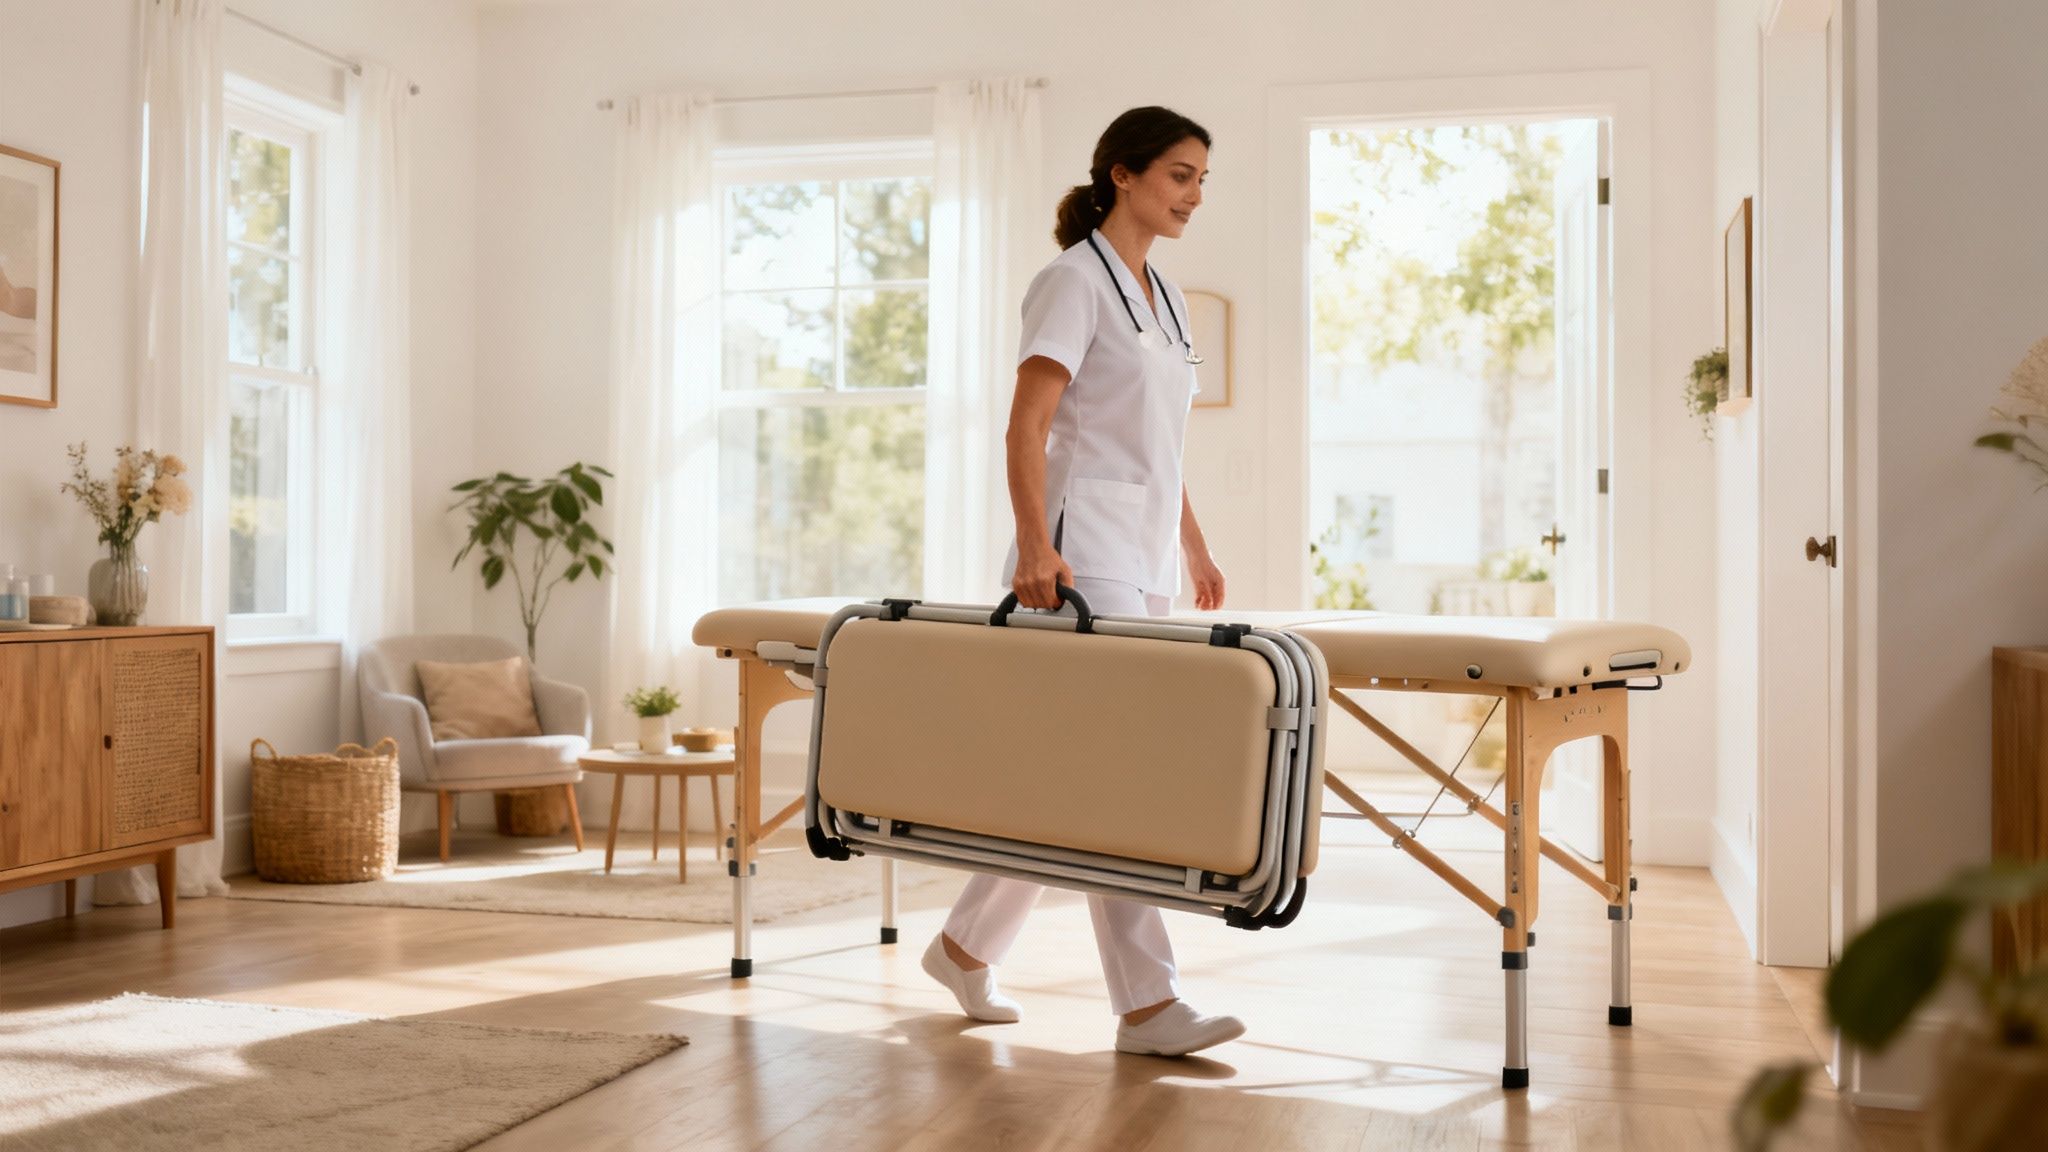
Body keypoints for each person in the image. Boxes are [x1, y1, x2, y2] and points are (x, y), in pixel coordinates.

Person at [920, 106, 1242, 1058]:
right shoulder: (1070, 281)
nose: (1192, 196)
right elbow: (1027, 428)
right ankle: (1147, 1005)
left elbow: (1160, 445)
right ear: (1123, 175)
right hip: (1074, 557)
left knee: (1070, 779)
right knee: (1117, 776)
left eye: (1201, 181)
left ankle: (963, 946)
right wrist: (1031, 547)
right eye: (1180, 176)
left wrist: (1195, 547)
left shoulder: (1168, 296)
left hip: (1140, 558)